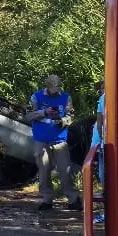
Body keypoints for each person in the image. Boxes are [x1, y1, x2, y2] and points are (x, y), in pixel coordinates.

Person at [24, 74, 81, 212]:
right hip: (41, 140)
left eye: (57, 87)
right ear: (47, 86)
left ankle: (73, 199)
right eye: (52, 88)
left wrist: (63, 121)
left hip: (60, 140)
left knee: (65, 171)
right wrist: (44, 112)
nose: (55, 90)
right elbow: (28, 115)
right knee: (44, 171)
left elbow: (71, 116)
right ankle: (47, 199)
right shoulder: (36, 97)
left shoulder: (66, 98)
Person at [92, 80, 106, 194]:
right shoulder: (103, 99)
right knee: (103, 167)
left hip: (105, 138)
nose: (102, 91)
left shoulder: (103, 98)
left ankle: (106, 191)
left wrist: (102, 140)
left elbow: (99, 120)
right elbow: (99, 121)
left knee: (104, 167)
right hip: (103, 138)